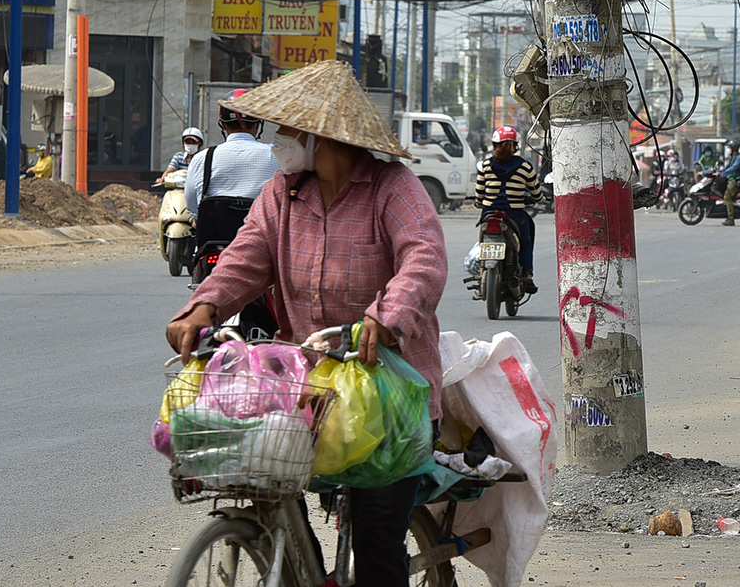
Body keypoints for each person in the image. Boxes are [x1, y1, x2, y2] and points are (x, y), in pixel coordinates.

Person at [167, 60, 447, 587]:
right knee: (270, 489)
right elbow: (245, 258)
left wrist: (386, 320)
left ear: (323, 137)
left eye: (288, 130)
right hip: (312, 389)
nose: (278, 141)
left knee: (375, 541)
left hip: (393, 399)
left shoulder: (393, 188)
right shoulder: (281, 193)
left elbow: (424, 259)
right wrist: (203, 308)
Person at [184, 94, 280, 219]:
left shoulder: (202, 158)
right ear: (258, 123)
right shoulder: (276, 156)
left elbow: (191, 203)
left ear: (223, 125)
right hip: (262, 236)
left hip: (215, 235)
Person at [474, 126, 542, 294]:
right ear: (515, 145)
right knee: (526, 241)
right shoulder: (525, 167)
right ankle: (528, 273)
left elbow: (479, 194)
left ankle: (481, 267)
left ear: (495, 144)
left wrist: (478, 202)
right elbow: (536, 192)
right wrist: (540, 199)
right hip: (516, 215)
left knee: (483, 239)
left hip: (489, 213)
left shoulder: (485, 166)